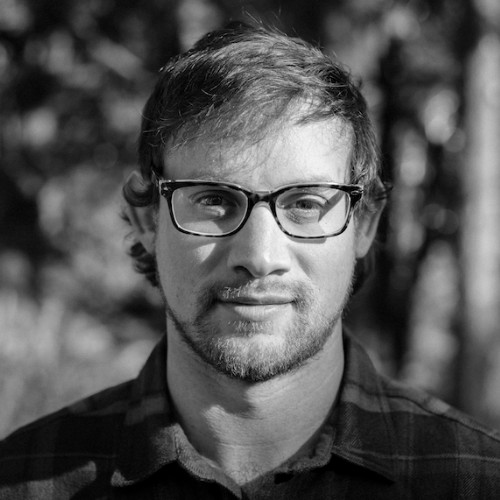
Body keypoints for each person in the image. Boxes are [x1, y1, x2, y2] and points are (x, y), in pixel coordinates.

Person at [1, 21, 499, 499]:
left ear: (364, 224)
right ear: (148, 221)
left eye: (306, 203)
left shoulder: (477, 479)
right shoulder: (22, 480)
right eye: (214, 200)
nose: (259, 257)